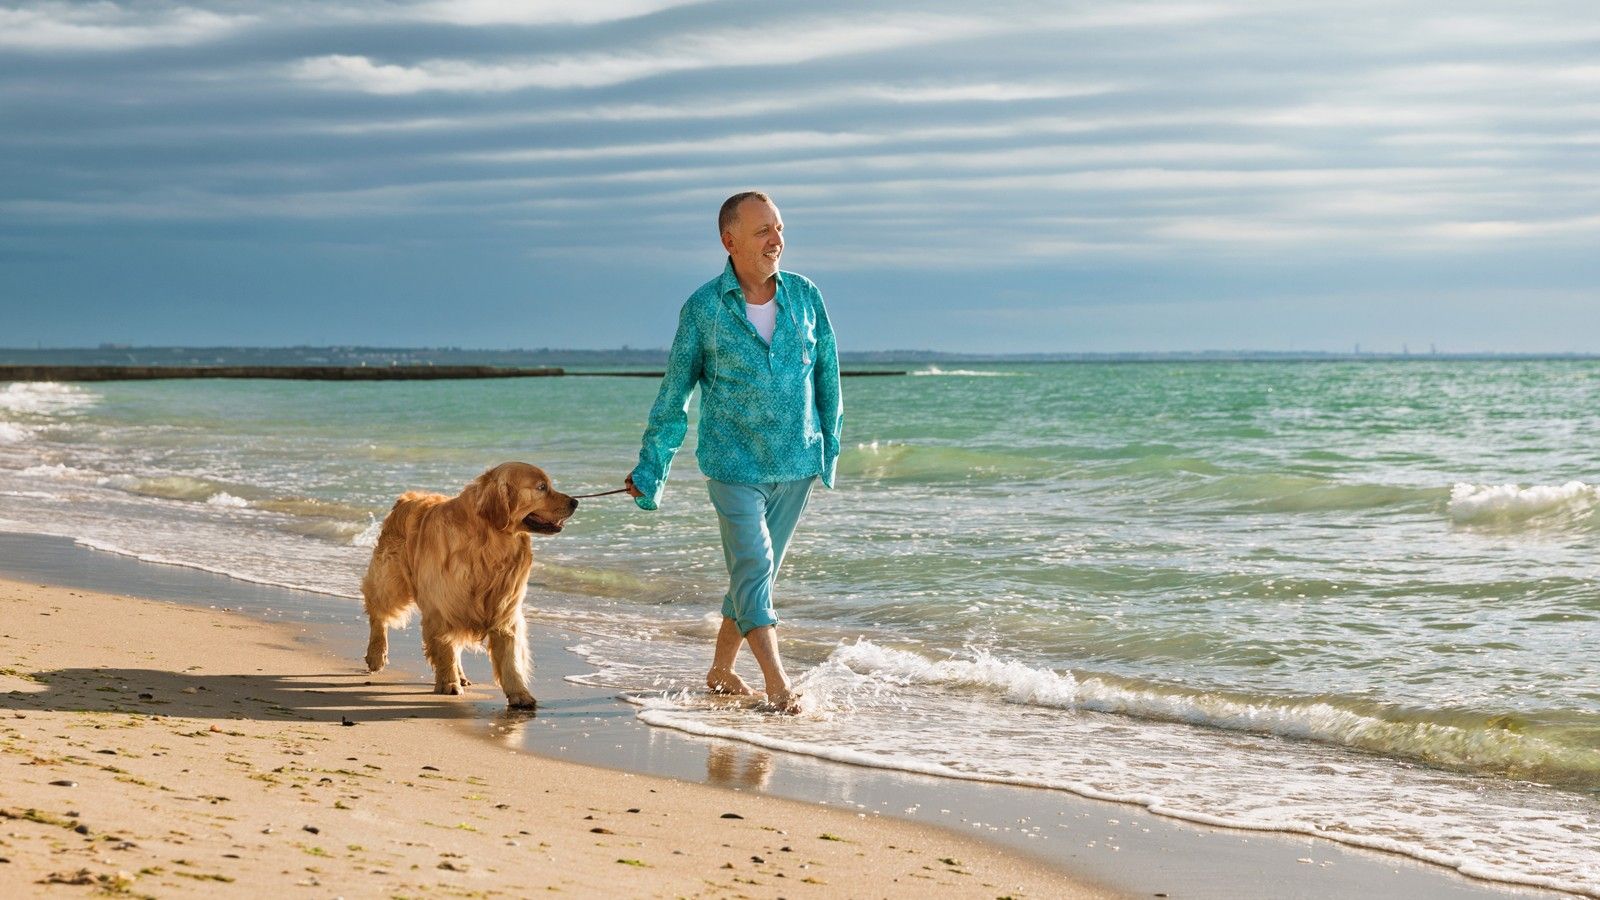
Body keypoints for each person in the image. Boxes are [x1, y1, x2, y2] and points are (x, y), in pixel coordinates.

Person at [624, 191, 842, 714]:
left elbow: (827, 373)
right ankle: (779, 684)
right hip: (733, 465)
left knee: (753, 575)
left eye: (780, 229)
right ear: (730, 240)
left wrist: (829, 446)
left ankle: (721, 670)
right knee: (755, 563)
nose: (777, 240)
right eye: (764, 230)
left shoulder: (806, 296)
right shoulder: (703, 309)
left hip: (796, 463)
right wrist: (651, 468)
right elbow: (674, 396)